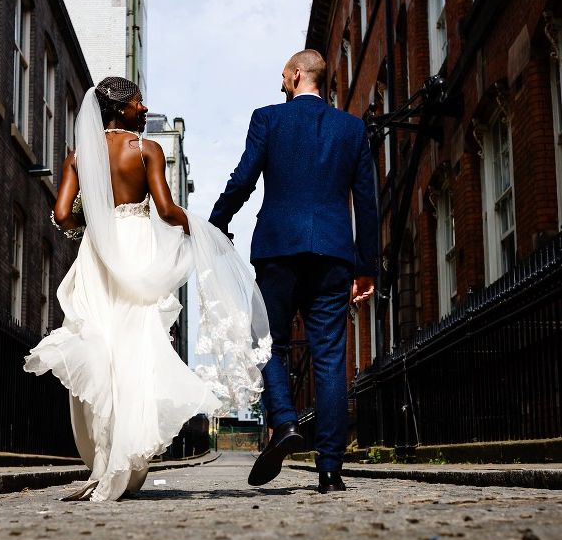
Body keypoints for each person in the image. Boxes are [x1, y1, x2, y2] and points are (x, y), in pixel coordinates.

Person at [24, 77, 271, 502]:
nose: (144, 107)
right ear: (120, 108)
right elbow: (167, 210)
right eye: (138, 101)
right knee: (134, 347)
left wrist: (97, 222)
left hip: (99, 251)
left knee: (101, 344)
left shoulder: (79, 157)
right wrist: (205, 230)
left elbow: (62, 215)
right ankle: (126, 461)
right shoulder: (146, 150)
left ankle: (102, 461)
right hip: (137, 246)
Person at [209, 50, 378, 493]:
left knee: (267, 342)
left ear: (297, 75)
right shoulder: (352, 128)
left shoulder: (268, 120)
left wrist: (217, 221)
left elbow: (244, 177)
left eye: (283, 76)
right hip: (334, 253)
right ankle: (329, 469)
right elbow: (367, 200)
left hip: (278, 250)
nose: (281, 82)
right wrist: (367, 265)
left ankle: (283, 422)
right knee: (329, 358)